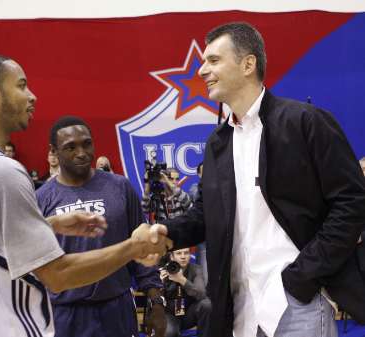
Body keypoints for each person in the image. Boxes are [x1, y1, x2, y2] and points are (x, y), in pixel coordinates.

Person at [141, 22, 365, 337]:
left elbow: (353, 203)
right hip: (238, 312)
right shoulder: (217, 143)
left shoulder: (306, 123)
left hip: (297, 305)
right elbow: (206, 217)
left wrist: (301, 278)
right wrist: (166, 231)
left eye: (214, 60)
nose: (203, 70)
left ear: (249, 64)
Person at [0, 54, 169, 337]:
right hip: (6, 326)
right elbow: (58, 275)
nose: (32, 96)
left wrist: (48, 225)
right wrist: (133, 247)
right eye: (21, 86)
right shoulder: (0, 170)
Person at [35, 116, 166, 337]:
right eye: (70, 147)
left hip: (116, 309)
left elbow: (142, 249)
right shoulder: (41, 199)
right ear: (54, 151)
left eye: (86, 143)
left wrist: (156, 302)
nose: (81, 153)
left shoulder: (120, 187)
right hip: (65, 314)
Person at [160, 248, 211, 337]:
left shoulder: (196, 269)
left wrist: (182, 280)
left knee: (206, 304)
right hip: (169, 315)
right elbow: (154, 300)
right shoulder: (163, 271)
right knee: (170, 333)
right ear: (172, 256)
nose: (183, 257)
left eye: (186, 253)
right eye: (179, 253)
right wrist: (159, 283)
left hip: (188, 314)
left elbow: (202, 294)